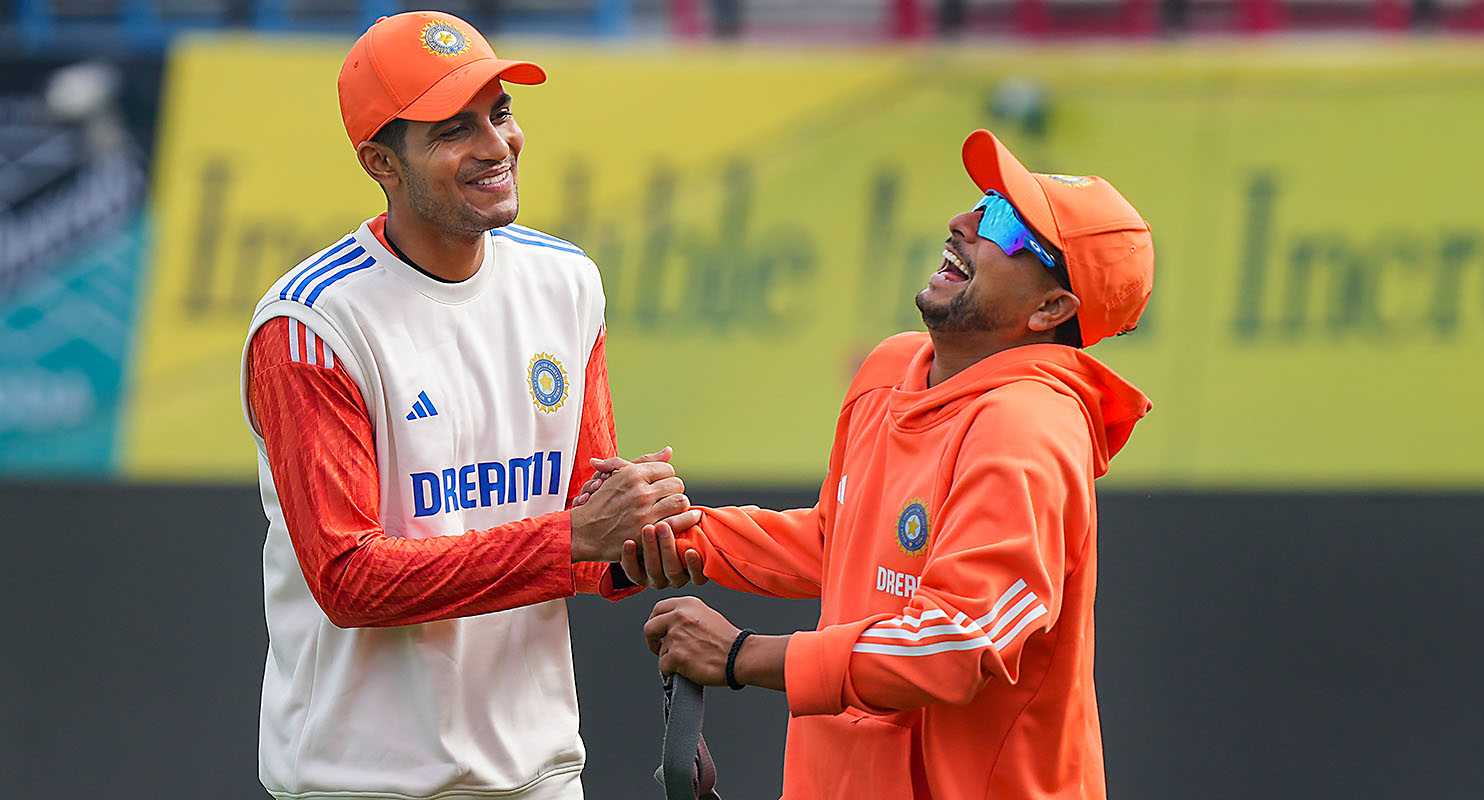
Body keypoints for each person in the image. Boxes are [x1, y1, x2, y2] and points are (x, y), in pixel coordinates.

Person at [239, 11, 700, 800]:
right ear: (380, 162)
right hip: (359, 782)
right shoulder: (310, 325)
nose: (496, 146)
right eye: (454, 129)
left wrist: (636, 542)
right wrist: (576, 536)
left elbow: (582, 531)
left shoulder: (566, 281)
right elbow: (350, 579)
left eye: (501, 112)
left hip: (544, 771)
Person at [629, 130, 1155, 798]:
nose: (962, 223)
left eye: (1003, 223)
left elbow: (957, 642)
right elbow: (838, 541)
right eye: (983, 201)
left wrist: (741, 656)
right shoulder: (891, 367)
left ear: (1052, 308)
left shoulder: (1028, 428)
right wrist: (674, 532)